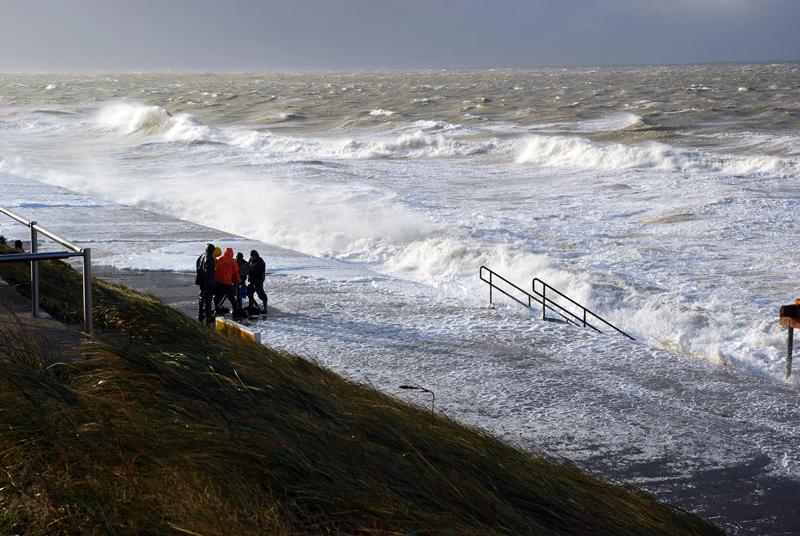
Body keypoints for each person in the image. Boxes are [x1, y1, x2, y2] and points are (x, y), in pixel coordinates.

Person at [214, 247, 245, 319]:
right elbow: (235, 273)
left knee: (217, 296)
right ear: (232, 253)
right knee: (231, 297)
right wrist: (239, 281)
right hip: (227, 282)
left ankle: (216, 308)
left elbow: (216, 268)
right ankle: (235, 309)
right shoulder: (233, 261)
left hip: (218, 281)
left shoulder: (220, 259)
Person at [195, 243, 216, 325]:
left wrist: (199, 274)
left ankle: (200, 313)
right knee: (208, 299)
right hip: (207, 282)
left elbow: (197, 264)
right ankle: (208, 317)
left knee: (201, 297)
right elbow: (208, 272)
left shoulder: (202, 256)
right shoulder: (209, 258)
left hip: (201, 280)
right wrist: (209, 283)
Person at [247, 249, 268, 315]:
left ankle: (265, 308)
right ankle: (251, 306)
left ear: (255, 256)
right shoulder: (251, 260)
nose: (251, 257)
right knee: (249, 293)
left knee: (262, 295)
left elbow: (256, 271)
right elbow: (248, 266)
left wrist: (250, 270)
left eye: (252, 256)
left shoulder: (261, 262)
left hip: (258, 282)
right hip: (252, 281)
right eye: (251, 256)